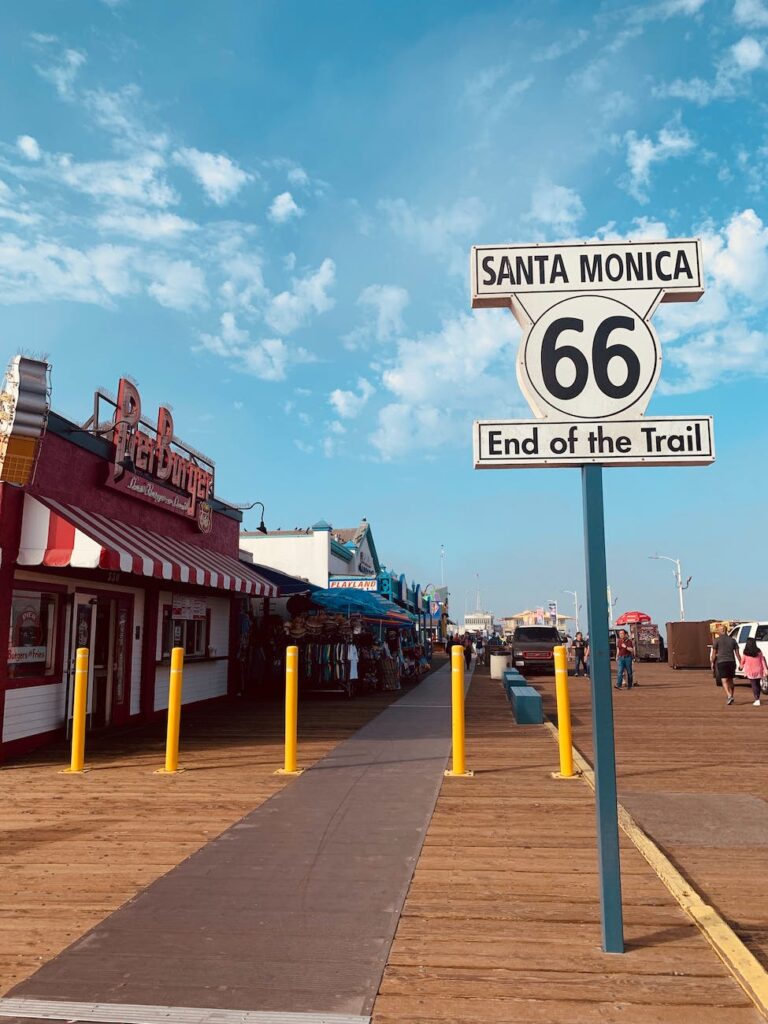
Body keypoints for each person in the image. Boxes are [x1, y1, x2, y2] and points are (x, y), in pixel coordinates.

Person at [711, 626, 742, 705]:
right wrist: (741, 663)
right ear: (726, 631)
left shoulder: (716, 640)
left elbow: (714, 653)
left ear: (720, 631)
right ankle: (731, 695)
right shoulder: (733, 640)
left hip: (722, 662)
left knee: (724, 680)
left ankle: (729, 696)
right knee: (731, 680)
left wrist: (712, 662)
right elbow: (737, 654)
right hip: (731, 662)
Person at [740, 637, 767, 706]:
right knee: (758, 684)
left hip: (750, 671)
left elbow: (743, 661)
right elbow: (762, 660)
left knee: (754, 685)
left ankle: (757, 699)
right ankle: (758, 697)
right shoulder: (758, 651)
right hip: (759, 670)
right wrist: (765, 669)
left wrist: (741, 666)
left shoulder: (746, 652)